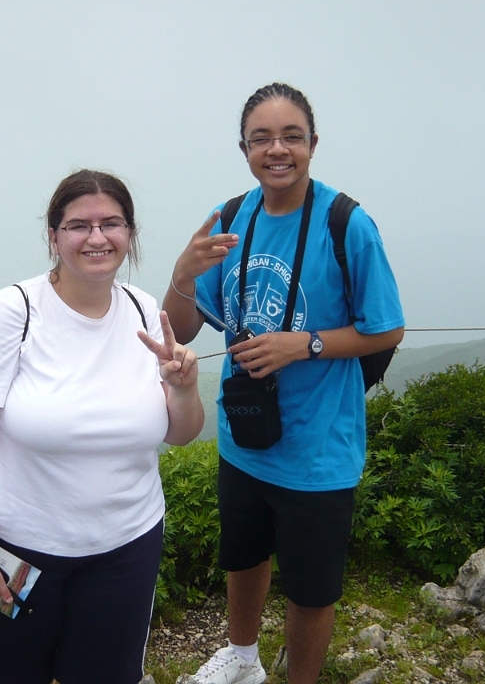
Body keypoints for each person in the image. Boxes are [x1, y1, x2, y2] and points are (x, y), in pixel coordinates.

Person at [163, 83, 405, 684]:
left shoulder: (347, 224)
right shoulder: (229, 219)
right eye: (262, 138)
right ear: (243, 148)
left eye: (291, 136)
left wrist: (307, 343)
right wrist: (182, 274)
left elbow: (388, 329)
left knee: (311, 589)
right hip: (244, 432)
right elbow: (186, 328)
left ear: (313, 144)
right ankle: (243, 659)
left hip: (318, 447)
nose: (278, 149)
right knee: (242, 559)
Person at [0, 169, 204, 684]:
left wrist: (184, 387)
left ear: (130, 233)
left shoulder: (144, 311)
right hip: (19, 554)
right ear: (53, 235)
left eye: (112, 223)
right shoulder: (11, 314)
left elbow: (180, 433)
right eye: (78, 225)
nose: (97, 237)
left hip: (125, 548)